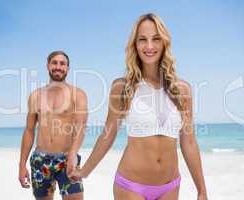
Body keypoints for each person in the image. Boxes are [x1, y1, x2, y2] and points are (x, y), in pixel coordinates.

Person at [69, 13, 208, 200]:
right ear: (135, 44)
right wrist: (85, 171)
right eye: (143, 39)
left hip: (170, 186)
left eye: (156, 39)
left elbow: (189, 141)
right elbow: (108, 134)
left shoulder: (182, 90)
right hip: (131, 186)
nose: (149, 46)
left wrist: (202, 190)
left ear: (164, 43)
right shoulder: (122, 87)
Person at [18, 51, 88, 200]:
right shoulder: (35, 96)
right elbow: (29, 130)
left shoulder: (78, 94)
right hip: (40, 160)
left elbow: (81, 128)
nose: (58, 67)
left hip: (67, 159)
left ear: (68, 68)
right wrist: (22, 165)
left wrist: (73, 154)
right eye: (54, 63)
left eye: (62, 64)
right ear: (48, 66)